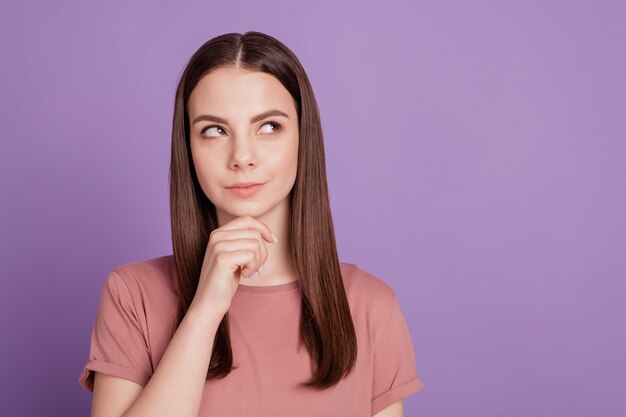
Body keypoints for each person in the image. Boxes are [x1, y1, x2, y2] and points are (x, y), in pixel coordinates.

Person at [78, 31, 424, 417]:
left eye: (269, 126)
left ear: (302, 136)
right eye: (214, 130)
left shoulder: (370, 306)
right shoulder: (133, 295)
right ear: (188, 148)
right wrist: (204, 311)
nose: (242, 156)